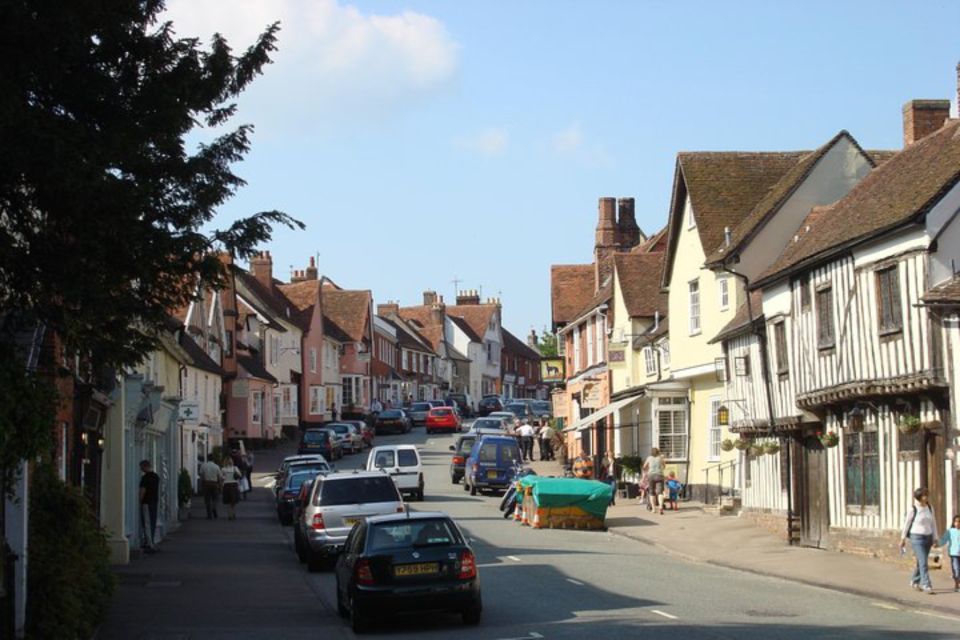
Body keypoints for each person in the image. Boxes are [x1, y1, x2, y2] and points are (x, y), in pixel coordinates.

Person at [900, 487, 939, 594]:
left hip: (928, 537)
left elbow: (933, 523)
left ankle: (914, 581)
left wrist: (935, 538)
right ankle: (927, 585)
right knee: (923, 562)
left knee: (921, 562)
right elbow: (906, 524)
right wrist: (902, 538)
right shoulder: (913, 509)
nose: (926, 497)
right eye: (924, 495)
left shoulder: (930, 508)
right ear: (919, 497)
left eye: (927, 494)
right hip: (917, 537)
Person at [138, 460, 160, 553]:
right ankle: (152, 541)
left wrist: (140, 500)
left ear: (145, 466)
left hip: (146, 502)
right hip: (154, 501)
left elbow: (143, 490)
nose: (141, 469)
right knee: (153, 521)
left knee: (147, 522)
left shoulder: (145, 478)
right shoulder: (156, 477)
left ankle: (149, 543)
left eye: (142, 467)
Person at [937, 514, 960, 592]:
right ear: (953, 522)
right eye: (956, 521)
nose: (957, 523)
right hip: (954, 554)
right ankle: (957, 584)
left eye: (959, 522)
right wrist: (937, 544)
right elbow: (944, 540)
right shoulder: (950, 531)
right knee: (956, 569)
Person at [643, 447, 666, 515]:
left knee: (651, 492)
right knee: (660, 492)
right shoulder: (660, 458)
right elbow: (664, 466)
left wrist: (647, 471)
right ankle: (661, 507)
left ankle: (653, 509)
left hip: (651, 476)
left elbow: (644, 466)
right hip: (659, 475)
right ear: (658, 452)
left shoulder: (649, 458)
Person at [220, 456, 242, 521]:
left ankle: (229, 515)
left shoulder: (223, 469)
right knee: (233, 501)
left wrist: (224, 478)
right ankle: (233, 513)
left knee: (228, 502)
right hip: (234, 485)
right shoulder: (235, 468)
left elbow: (221, 478)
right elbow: (240, 475)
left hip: (226, 485)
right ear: (231, 462)